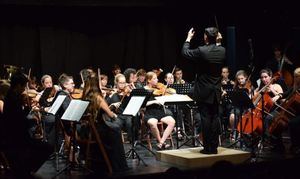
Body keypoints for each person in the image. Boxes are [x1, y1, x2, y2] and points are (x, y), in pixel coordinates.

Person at [182, 27, 225, 154]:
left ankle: (207, 148)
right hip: (216, 90)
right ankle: (214, 147)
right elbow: (216, 49)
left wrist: (188, 38)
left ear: (206, 37)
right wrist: (218, 42)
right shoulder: (222, 50)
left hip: (204, 90)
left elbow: (185, 52)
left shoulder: (202, 50)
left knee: (205, 119)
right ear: (217, 36)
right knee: (215, 117)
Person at [82, 76, 128, 172]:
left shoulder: (85, 97)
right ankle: (118, 165)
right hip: (99, 131)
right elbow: (110, 114)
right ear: (96, 85)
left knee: (115, 127)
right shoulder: (97, 97)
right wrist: (115, 115)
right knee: (116, 130)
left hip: (88, 130)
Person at [144, 71, 176, 150]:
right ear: (149, 80)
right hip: (150, 112)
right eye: (155, 79)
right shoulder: (144, 90)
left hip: (160, 111)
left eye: (157, 78)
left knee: (172, 122)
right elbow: (143, 105)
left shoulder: (159, 88)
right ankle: (160, 141)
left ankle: (161, 143)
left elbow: (169, 94)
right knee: (153, 123)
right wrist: (154, 101)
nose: (157, 80)